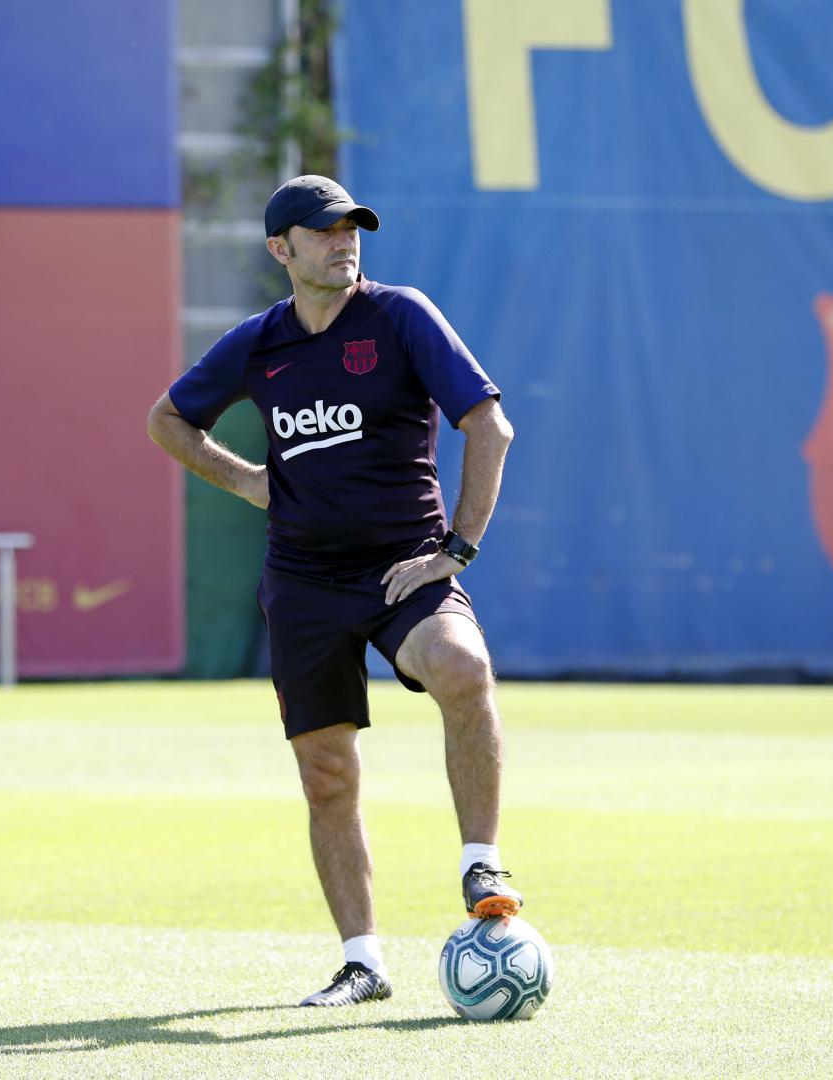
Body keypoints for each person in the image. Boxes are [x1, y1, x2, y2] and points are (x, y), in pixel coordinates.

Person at [146, 175, 519, 1007]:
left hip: (403, 565)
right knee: (327, 773)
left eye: (352, 228)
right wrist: (247, 482)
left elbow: (489, 425)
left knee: (462, 668)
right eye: (322, 232)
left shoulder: (401, 316)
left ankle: (480, 861)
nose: (344, 241)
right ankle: (363, 962)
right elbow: (167, 421)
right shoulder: (259, 342)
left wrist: (456, 549)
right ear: (281, 249)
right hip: (306, 579)